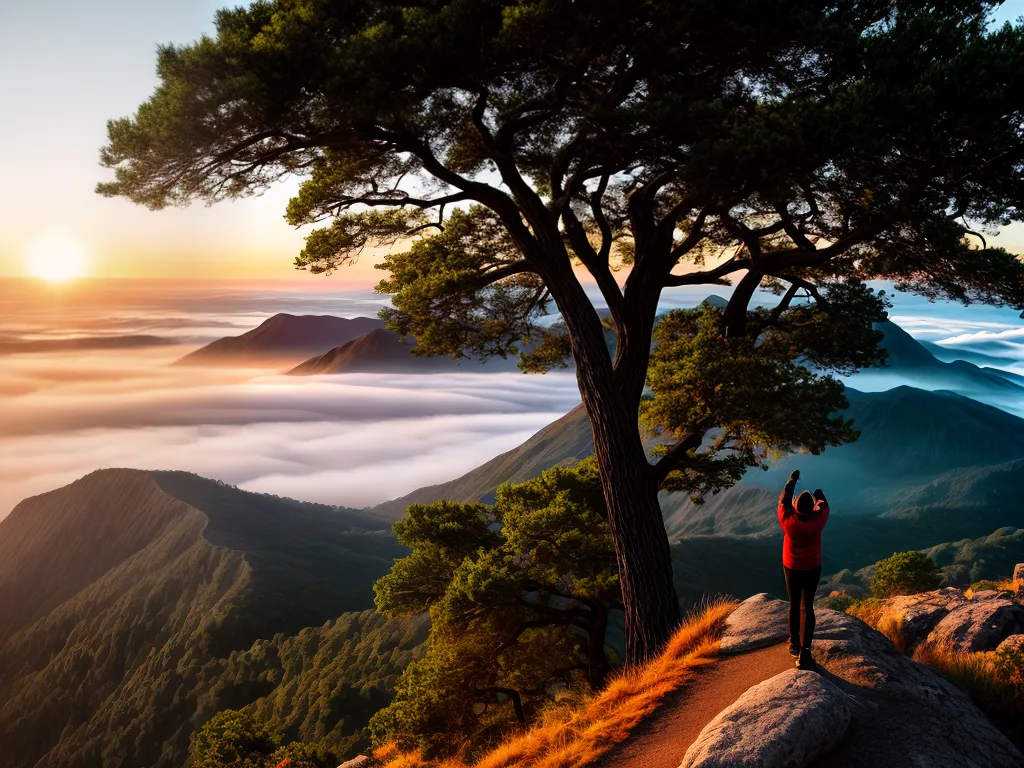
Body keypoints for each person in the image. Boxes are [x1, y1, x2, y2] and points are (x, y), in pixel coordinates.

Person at [777, 469, 829, 669]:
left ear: (796, 506)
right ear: (812, 509)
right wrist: (818, 495)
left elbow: (784, 499)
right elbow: (824, 505)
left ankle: (794, 642)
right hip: (812, 566)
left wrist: (791, 481)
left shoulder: (787, 520)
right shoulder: (818, 520)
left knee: (794, 603)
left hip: (791, 566)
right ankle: (805, 650)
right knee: (808, 606)